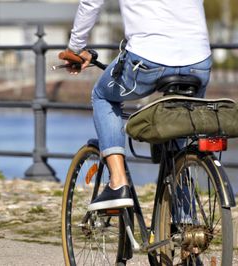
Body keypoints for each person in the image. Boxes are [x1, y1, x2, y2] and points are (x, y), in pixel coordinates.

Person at [65, 0, 212, 211]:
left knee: (102, 96)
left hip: (147, 59)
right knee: (180, 135)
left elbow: (91, 3)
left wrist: (76, 48)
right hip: (198, 61)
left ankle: (118, 182)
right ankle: (186, 223)